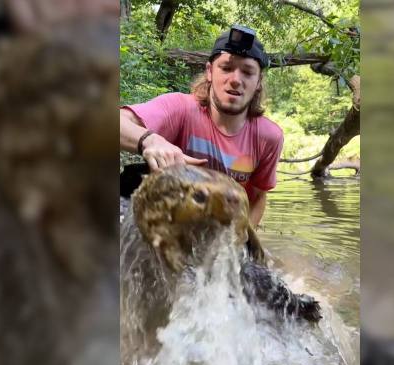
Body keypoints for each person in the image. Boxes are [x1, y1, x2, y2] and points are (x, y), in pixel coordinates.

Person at [120, 26, 284, 227]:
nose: (235, 80)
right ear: (209, 72)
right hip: (172, 220)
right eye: (226, 68)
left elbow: (258, 197)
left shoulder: (269, 137)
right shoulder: (179, 108)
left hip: (224, 225)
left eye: (248, 72)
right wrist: (149, 140)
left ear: (258, 82)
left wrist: (241, 243)